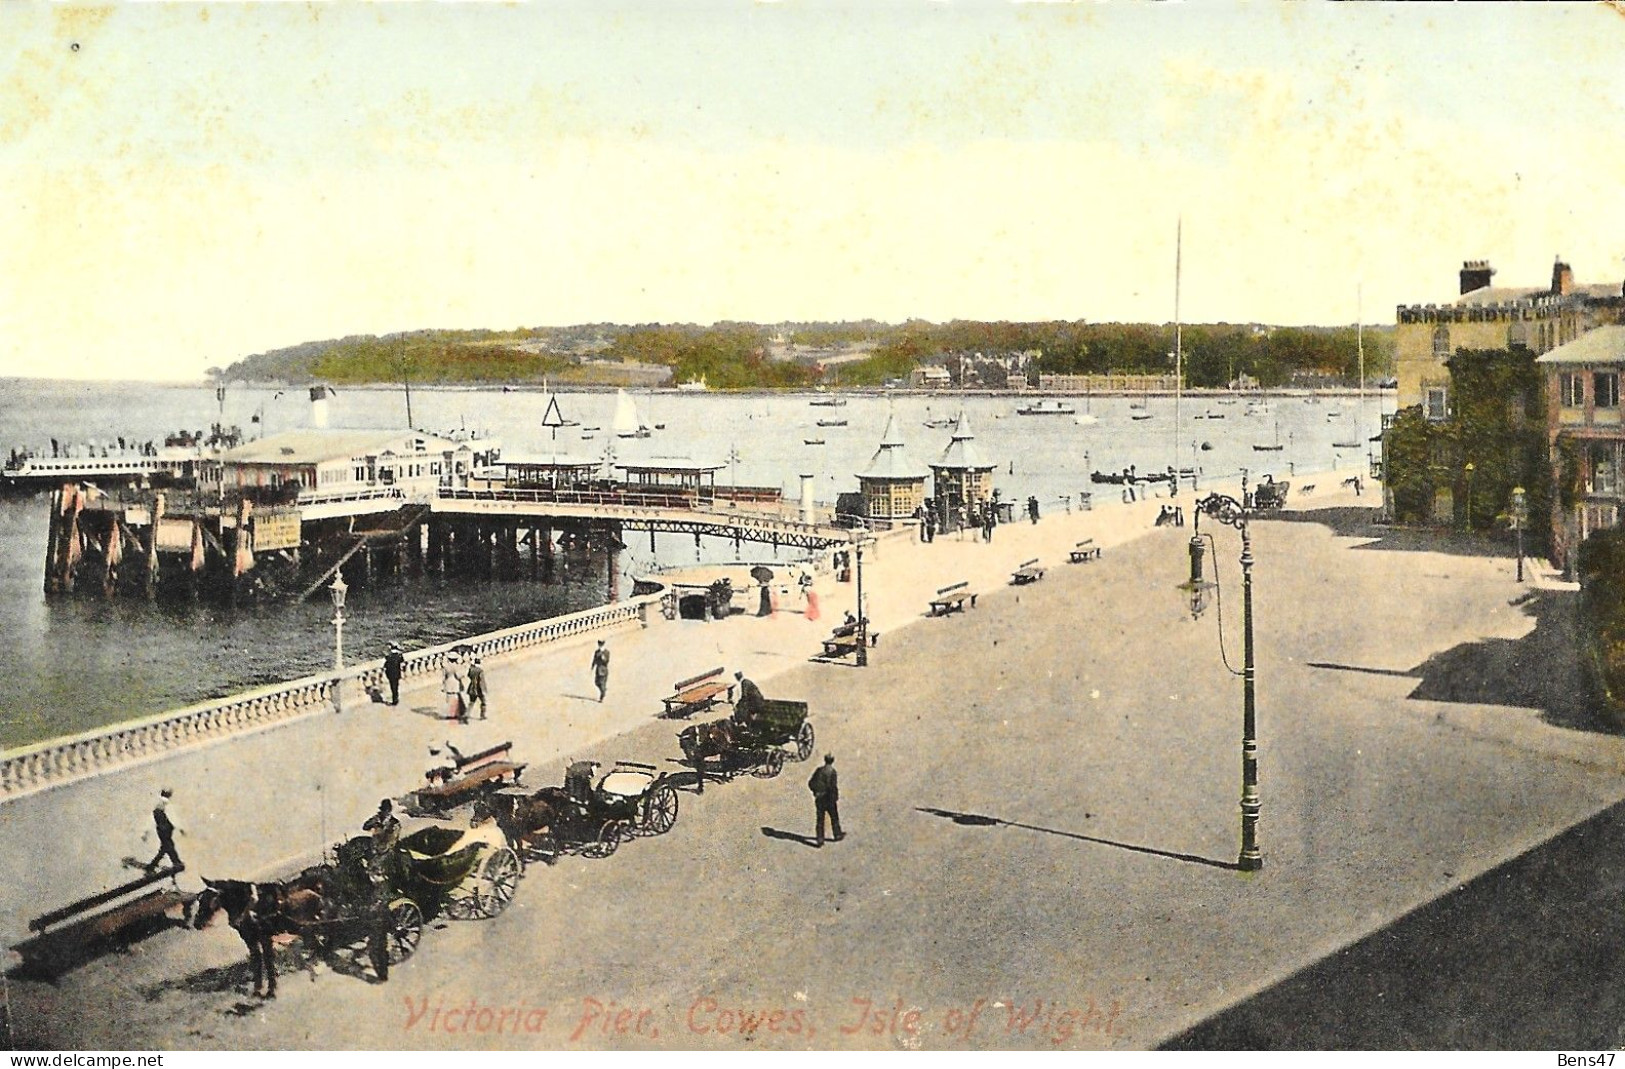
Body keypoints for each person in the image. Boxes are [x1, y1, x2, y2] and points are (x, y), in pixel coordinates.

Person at [145, 788, 184, 873]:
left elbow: (153, 820)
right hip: (165, 829)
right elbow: (172, 818)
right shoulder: (165, 804)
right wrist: (180, 829)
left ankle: (174, 862)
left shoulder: (158, 804)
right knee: (167, 846)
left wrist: (146, 833)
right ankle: (175, 862)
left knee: (165, 847)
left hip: (161, 829)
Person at [808, 754, 843, 846]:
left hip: (819, 798)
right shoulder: (832, 772)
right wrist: (835, 797)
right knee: (834, 817)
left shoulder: (819, 770)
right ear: (832, 761)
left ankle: (820, 839)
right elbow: (833, 786)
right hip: (829, 798)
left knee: (820, 819)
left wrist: (816, 792)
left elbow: (811, 783)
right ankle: (837, 834)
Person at [442, 655, 467, 723]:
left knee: (449, 699)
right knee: (455, 699)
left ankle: (450, 714)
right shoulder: (457, 666)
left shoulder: (446, 666)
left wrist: (443, 685)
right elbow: (458, 676)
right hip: (455, 683)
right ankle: (455, 714)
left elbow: (444, 677)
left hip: (448, 683)